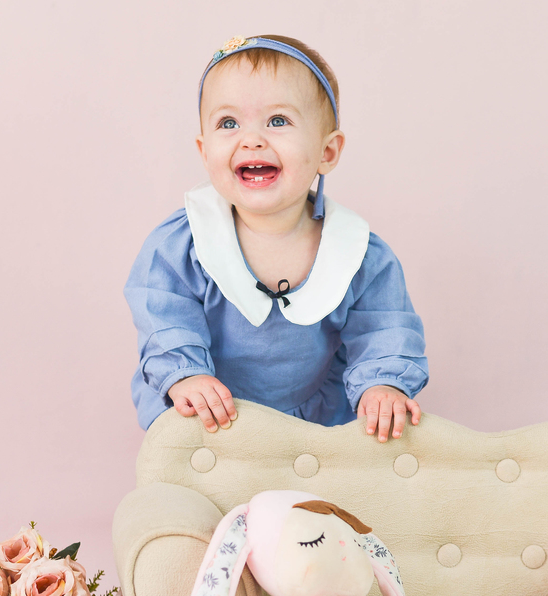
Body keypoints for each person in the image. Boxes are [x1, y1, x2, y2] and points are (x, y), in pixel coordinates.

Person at [124, 34, 428, 443]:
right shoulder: (183, 246)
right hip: (210, 420)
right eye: (228, 124)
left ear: (328, 152)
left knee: (309, 499)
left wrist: (384, 383)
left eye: (278, 121)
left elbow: (385, 327)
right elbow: (163, 315)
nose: (252, 140)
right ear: (203, 150)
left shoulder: (357, 253)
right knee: (200, 495)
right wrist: (186, 375)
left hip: (314, 419)